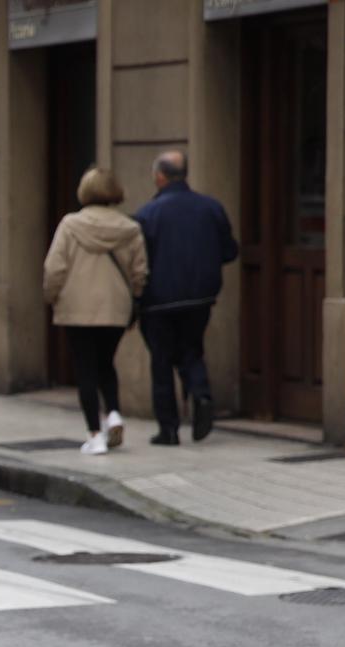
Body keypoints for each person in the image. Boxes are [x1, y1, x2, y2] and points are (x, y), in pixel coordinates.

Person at [133, 150, 237, 444]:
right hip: (200, 298)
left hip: (158, 301)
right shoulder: (211, 208)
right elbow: (229, 251)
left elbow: (138, 261)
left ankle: (168, 429)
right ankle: (201, 394)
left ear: (159, 177)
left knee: (162, 361)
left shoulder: (147, 214)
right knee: (191, 350)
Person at [43, 166, 147, 454]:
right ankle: (113, 412)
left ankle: (94, 435)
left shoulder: (70, 225)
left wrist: (52, 296)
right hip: (116, 308)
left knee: (86, 369)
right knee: (106, 363)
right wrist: (135, 298)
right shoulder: (131, 228)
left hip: (77, 308)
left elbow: (54, 268)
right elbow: (140, 273)